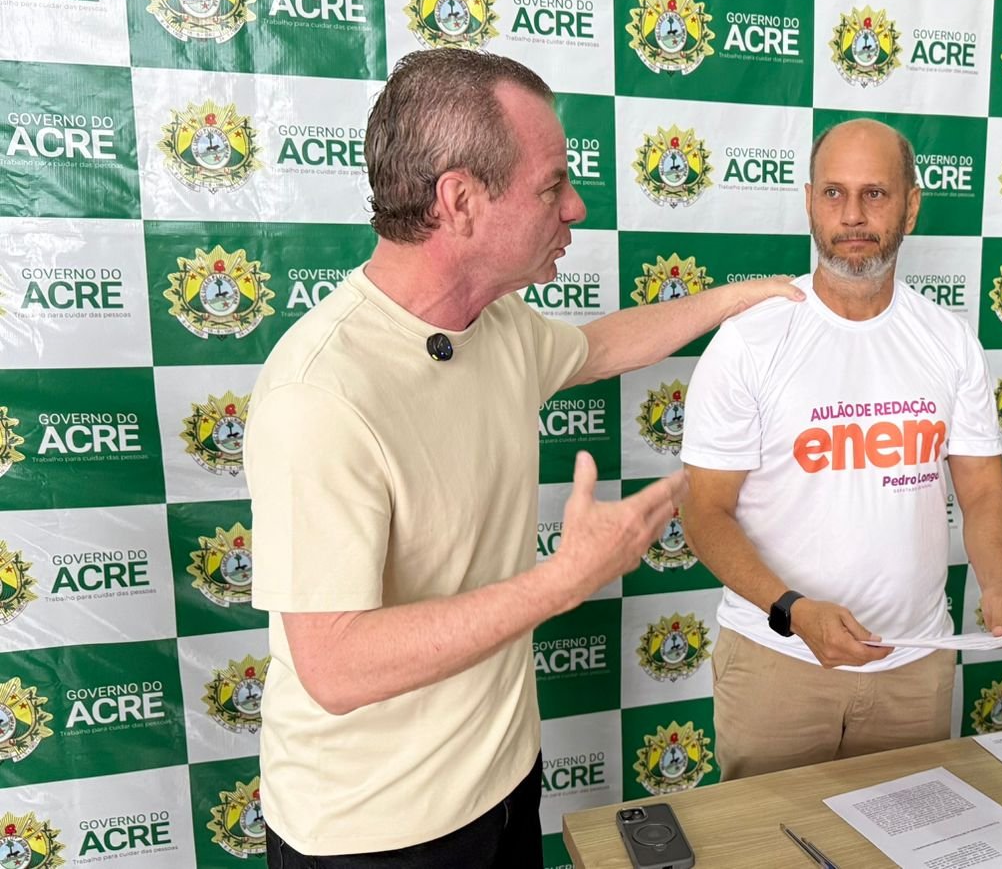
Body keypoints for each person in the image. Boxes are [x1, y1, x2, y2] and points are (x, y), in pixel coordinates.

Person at [244, 48, 800, 867]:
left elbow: (600, 345)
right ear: (460, 200)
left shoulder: (497, 327)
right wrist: (562, 581)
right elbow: (334, 664)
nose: (574, 206)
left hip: (504, 789)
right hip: (376, 835)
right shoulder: (320, 392)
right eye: (551, 186)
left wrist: (737, 300)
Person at [678, 119, 1002, 780]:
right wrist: (792, 610)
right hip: (778, 662)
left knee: (907, 847)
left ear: (911, 204)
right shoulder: (751, 340)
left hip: (916, 663)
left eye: (876, 194)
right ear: (810, 200)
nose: (853, 216)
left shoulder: (948, 340)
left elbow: (983, 491)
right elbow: (704, 512)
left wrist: (996, 583)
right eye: (834, 194)